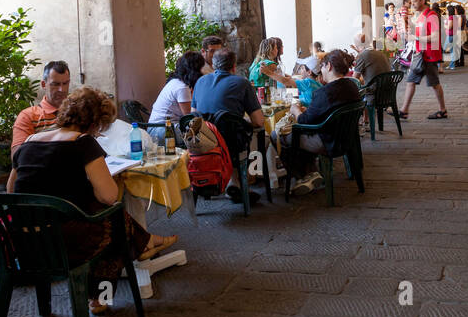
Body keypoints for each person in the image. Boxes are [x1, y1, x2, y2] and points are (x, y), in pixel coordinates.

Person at [8, 87, 170, 315]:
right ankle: (104, 292)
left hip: (25, 243)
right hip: (65, 244)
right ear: (95, 122)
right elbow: (109, 195)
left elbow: (11, 189)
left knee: (110, 221)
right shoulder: (83, 144)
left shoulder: (29, 142)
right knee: (116, 221)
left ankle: (144, 244)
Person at [283, 50, 362, 195]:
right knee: (299, 134)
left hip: (328, 141)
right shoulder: (352, 86)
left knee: (282, 136)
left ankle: (303, 176)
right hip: (347, 138)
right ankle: (311, 172)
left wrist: (295, 110)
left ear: (329, 66)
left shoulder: (325, 92)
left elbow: (304, 121)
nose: (321, 71)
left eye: (323, 67)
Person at [193, 49, 266, 203]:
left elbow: (194, 115)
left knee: (231, 133)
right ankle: (245, 181)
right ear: (234, 66)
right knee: (261, 139)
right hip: (230, 143)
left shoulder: (200, 82)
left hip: (202, 142)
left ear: (213, 65)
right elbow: (259, 121)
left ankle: (232, 183)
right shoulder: (242, 83)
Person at [400, 0, 447, 120]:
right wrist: (409, 25)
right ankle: (404, 110)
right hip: (421, 54)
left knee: (434, 83)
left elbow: (435, 37)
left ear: (423, 0)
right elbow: (420, 32)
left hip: (430, 55)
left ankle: (443, 110)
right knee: (411, 81)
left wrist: (415, 38)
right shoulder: (421, 16)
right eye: (412, 2)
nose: (412, 4)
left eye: (415, 2)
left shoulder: (431, 15)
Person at [12, 61, 70, 154]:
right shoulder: (28, 116)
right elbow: (17, 156)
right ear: (43, 85)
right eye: (55, 84)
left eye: (65, 83)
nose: (61, 90)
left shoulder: (77, 111)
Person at [149, 51, 204, 126]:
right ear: (195, 71)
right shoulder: (182, 88)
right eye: (201, 68)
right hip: (162, 129)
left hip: (159, 126)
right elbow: (189, 118)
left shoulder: (175, 81)